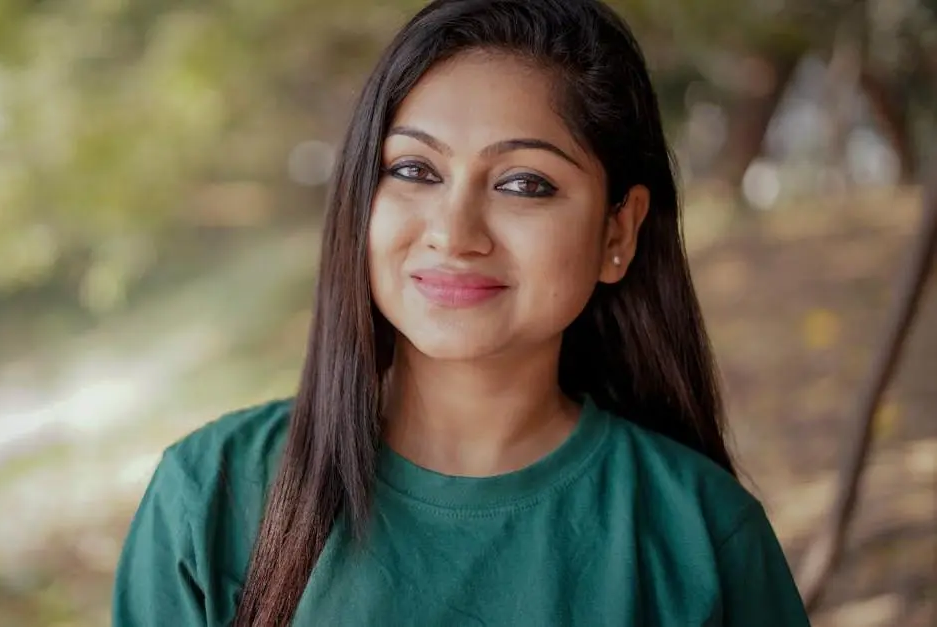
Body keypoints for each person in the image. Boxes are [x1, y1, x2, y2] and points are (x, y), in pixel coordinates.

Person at [112, 0, 812, 625]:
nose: (454, 231)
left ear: (617, 232)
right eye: (415, 170)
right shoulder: (210, 497)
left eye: (524, 183)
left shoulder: (702, 536)